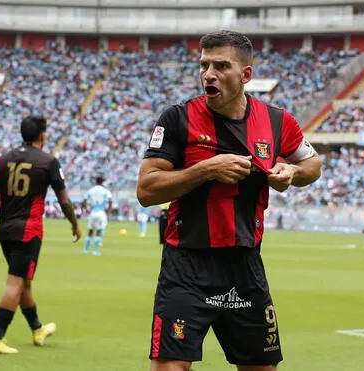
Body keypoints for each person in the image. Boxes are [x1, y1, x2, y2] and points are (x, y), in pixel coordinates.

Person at [136, 30, 321, 371]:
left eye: (221, 66)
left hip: (245, 266)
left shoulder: (277, 121)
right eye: (204, 65)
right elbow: (147, 190)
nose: (209, 74)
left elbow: (313, 165)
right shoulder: (177, 118)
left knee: (261, 367)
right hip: (187, 265)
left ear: (245, 75)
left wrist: (291, 172)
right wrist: (205, 169)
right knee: (170, 367)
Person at [0, 116, 82, 355]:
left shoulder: (2, 160)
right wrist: (74, 223)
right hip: (28, 231)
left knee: (23, 282)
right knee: (16, 283)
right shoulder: (48, 161)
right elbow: (64, 200)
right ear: (42, 134)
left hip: (5, 230)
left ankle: (37, 329)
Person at [81, 174, 113, 256]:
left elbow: (84, 200)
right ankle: (95, 251)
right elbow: (110, 200)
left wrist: (86, 209)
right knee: (98, 231)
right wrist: (108, 211)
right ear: (102, 182)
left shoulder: (91, 190)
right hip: (101, 213)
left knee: (90, 231)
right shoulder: (105, 191)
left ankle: (85, 250)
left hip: (92, 212)